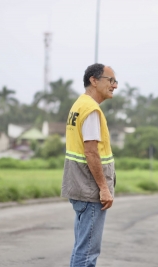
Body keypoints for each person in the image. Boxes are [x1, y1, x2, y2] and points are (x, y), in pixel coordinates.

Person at [61, 63, 118, 267]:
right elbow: (91, 151)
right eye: (110, 80)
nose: (115, 85)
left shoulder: (79, 105)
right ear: (94, 80)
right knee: (87, 253)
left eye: (115, 81)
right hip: (90, 190)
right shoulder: (91, 110)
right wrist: (104, 188)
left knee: (81, 248)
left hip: (79, 186)